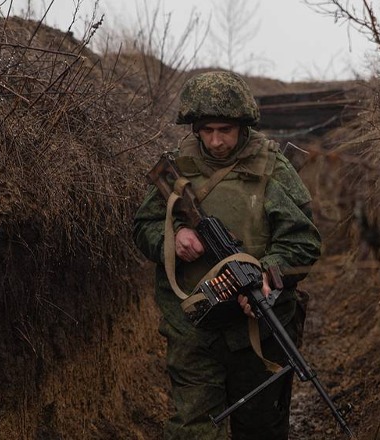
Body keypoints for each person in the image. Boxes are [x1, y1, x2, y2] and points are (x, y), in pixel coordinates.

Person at [132, 71, 322, 440]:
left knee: (260, 427)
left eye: (225, 130)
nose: (216, 141)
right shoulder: (175, 170)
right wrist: (173, 237)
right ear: (194, 128)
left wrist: (270, 278)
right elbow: (143, 227)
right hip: (193, 328)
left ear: (242, 126)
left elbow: (303, 242)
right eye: (207, 131)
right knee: (193, 429)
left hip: (258, 329)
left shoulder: (270, 168)